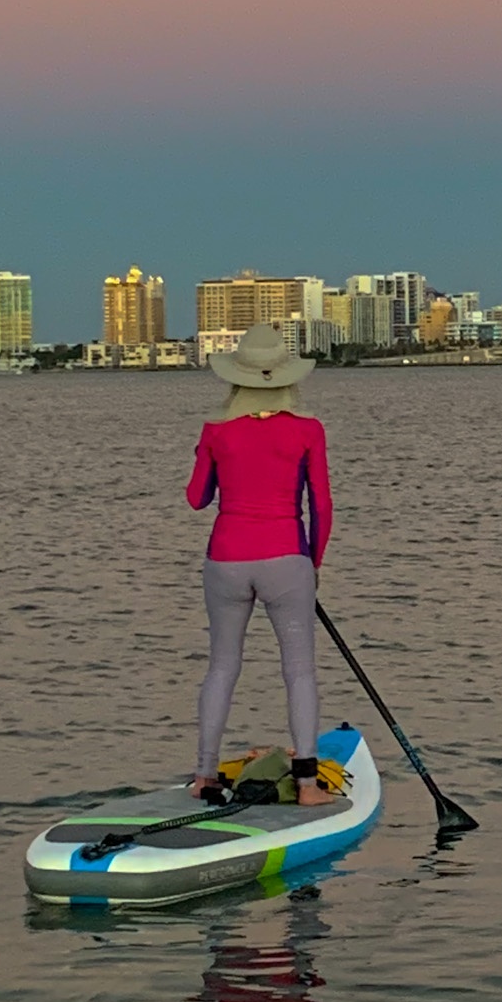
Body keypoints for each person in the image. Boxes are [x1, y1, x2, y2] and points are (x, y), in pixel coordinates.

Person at [187, 322, 335, 805]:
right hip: (287, 559)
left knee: (222, 666)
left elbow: (196, 498)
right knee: (299, 671)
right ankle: (308, 785)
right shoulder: (309, 430)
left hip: (226, 559)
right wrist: (311, 564)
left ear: (236, 379)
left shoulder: (216, 430)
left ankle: (205, 777)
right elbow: (323, 508)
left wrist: (206, 454)